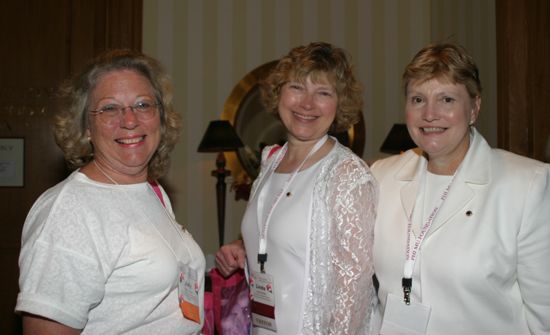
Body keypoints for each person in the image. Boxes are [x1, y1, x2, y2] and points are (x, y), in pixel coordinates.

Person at [15, 50, 206, 334]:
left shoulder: (151, 190)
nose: (130, 121)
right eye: (109, 108)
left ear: (160, 118)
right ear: (86, 127)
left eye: (143, 105)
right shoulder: (70, 211)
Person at [371, 42, 550, 334]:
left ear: (474, 108)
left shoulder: (527, 186)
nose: (429, 114)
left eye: (447, 100)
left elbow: (545, 315)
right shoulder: (381, 177)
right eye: (417, 99)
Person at [215, 42, 377, 334]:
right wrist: (241, 248)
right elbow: (282, 236)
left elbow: (354, 289)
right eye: (297, 88)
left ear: (339, 104)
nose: (307, 104)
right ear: (279, 93)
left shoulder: (347, 174)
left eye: (323, 93)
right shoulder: (271, 161)